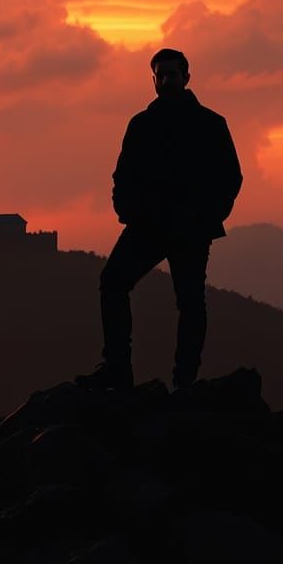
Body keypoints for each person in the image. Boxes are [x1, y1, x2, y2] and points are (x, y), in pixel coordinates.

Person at [76, 48, 242, 392]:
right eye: (161, 75)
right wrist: (127, 211)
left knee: (189, 302)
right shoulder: (141, 125)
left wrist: (207, 218)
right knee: (114, 284)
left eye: (173, 74)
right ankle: (118, 369)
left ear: (186, 78)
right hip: (148, 226)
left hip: (189, 229)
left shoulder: (211, 124)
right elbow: (122, 175)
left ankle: (183, 381)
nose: (167, 80)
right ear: (153, 80)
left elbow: (230, 177)